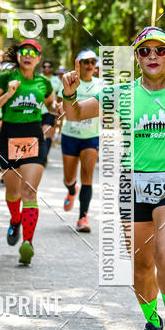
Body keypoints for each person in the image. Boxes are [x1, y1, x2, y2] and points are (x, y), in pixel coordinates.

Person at [62, 26, 165, 330]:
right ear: (136, 57)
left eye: (159, 50)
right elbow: (76, 114)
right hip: (133, 185)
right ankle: (151, 322)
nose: (152, 56)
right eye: (144, 51)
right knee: (140, 266)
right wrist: (69, 94)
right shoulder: (119, 93)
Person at [0, 39, 57, 266]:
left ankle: (28, 243)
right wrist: (7, 94)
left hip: (34, 136)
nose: (27, 55)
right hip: (9, 136)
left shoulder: (44, 83)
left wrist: (56, 111)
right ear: (18, 56)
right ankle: (15, 219)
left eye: (32, 53)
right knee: (13, 192)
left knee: (29, 192)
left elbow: (51, 106)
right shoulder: (5, 78)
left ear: (38, 59)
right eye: (23, 51)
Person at [61, 50, 102, 232]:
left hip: (90, 137)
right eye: (86, 61)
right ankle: (71, 190)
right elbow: (61, 104)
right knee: (69, 178)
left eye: (93, 62)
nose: (89, 65)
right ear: (79, 63)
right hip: (70, 135)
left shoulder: (101, 85)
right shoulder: (69, 81)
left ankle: (83, 217)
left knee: (87, 177)